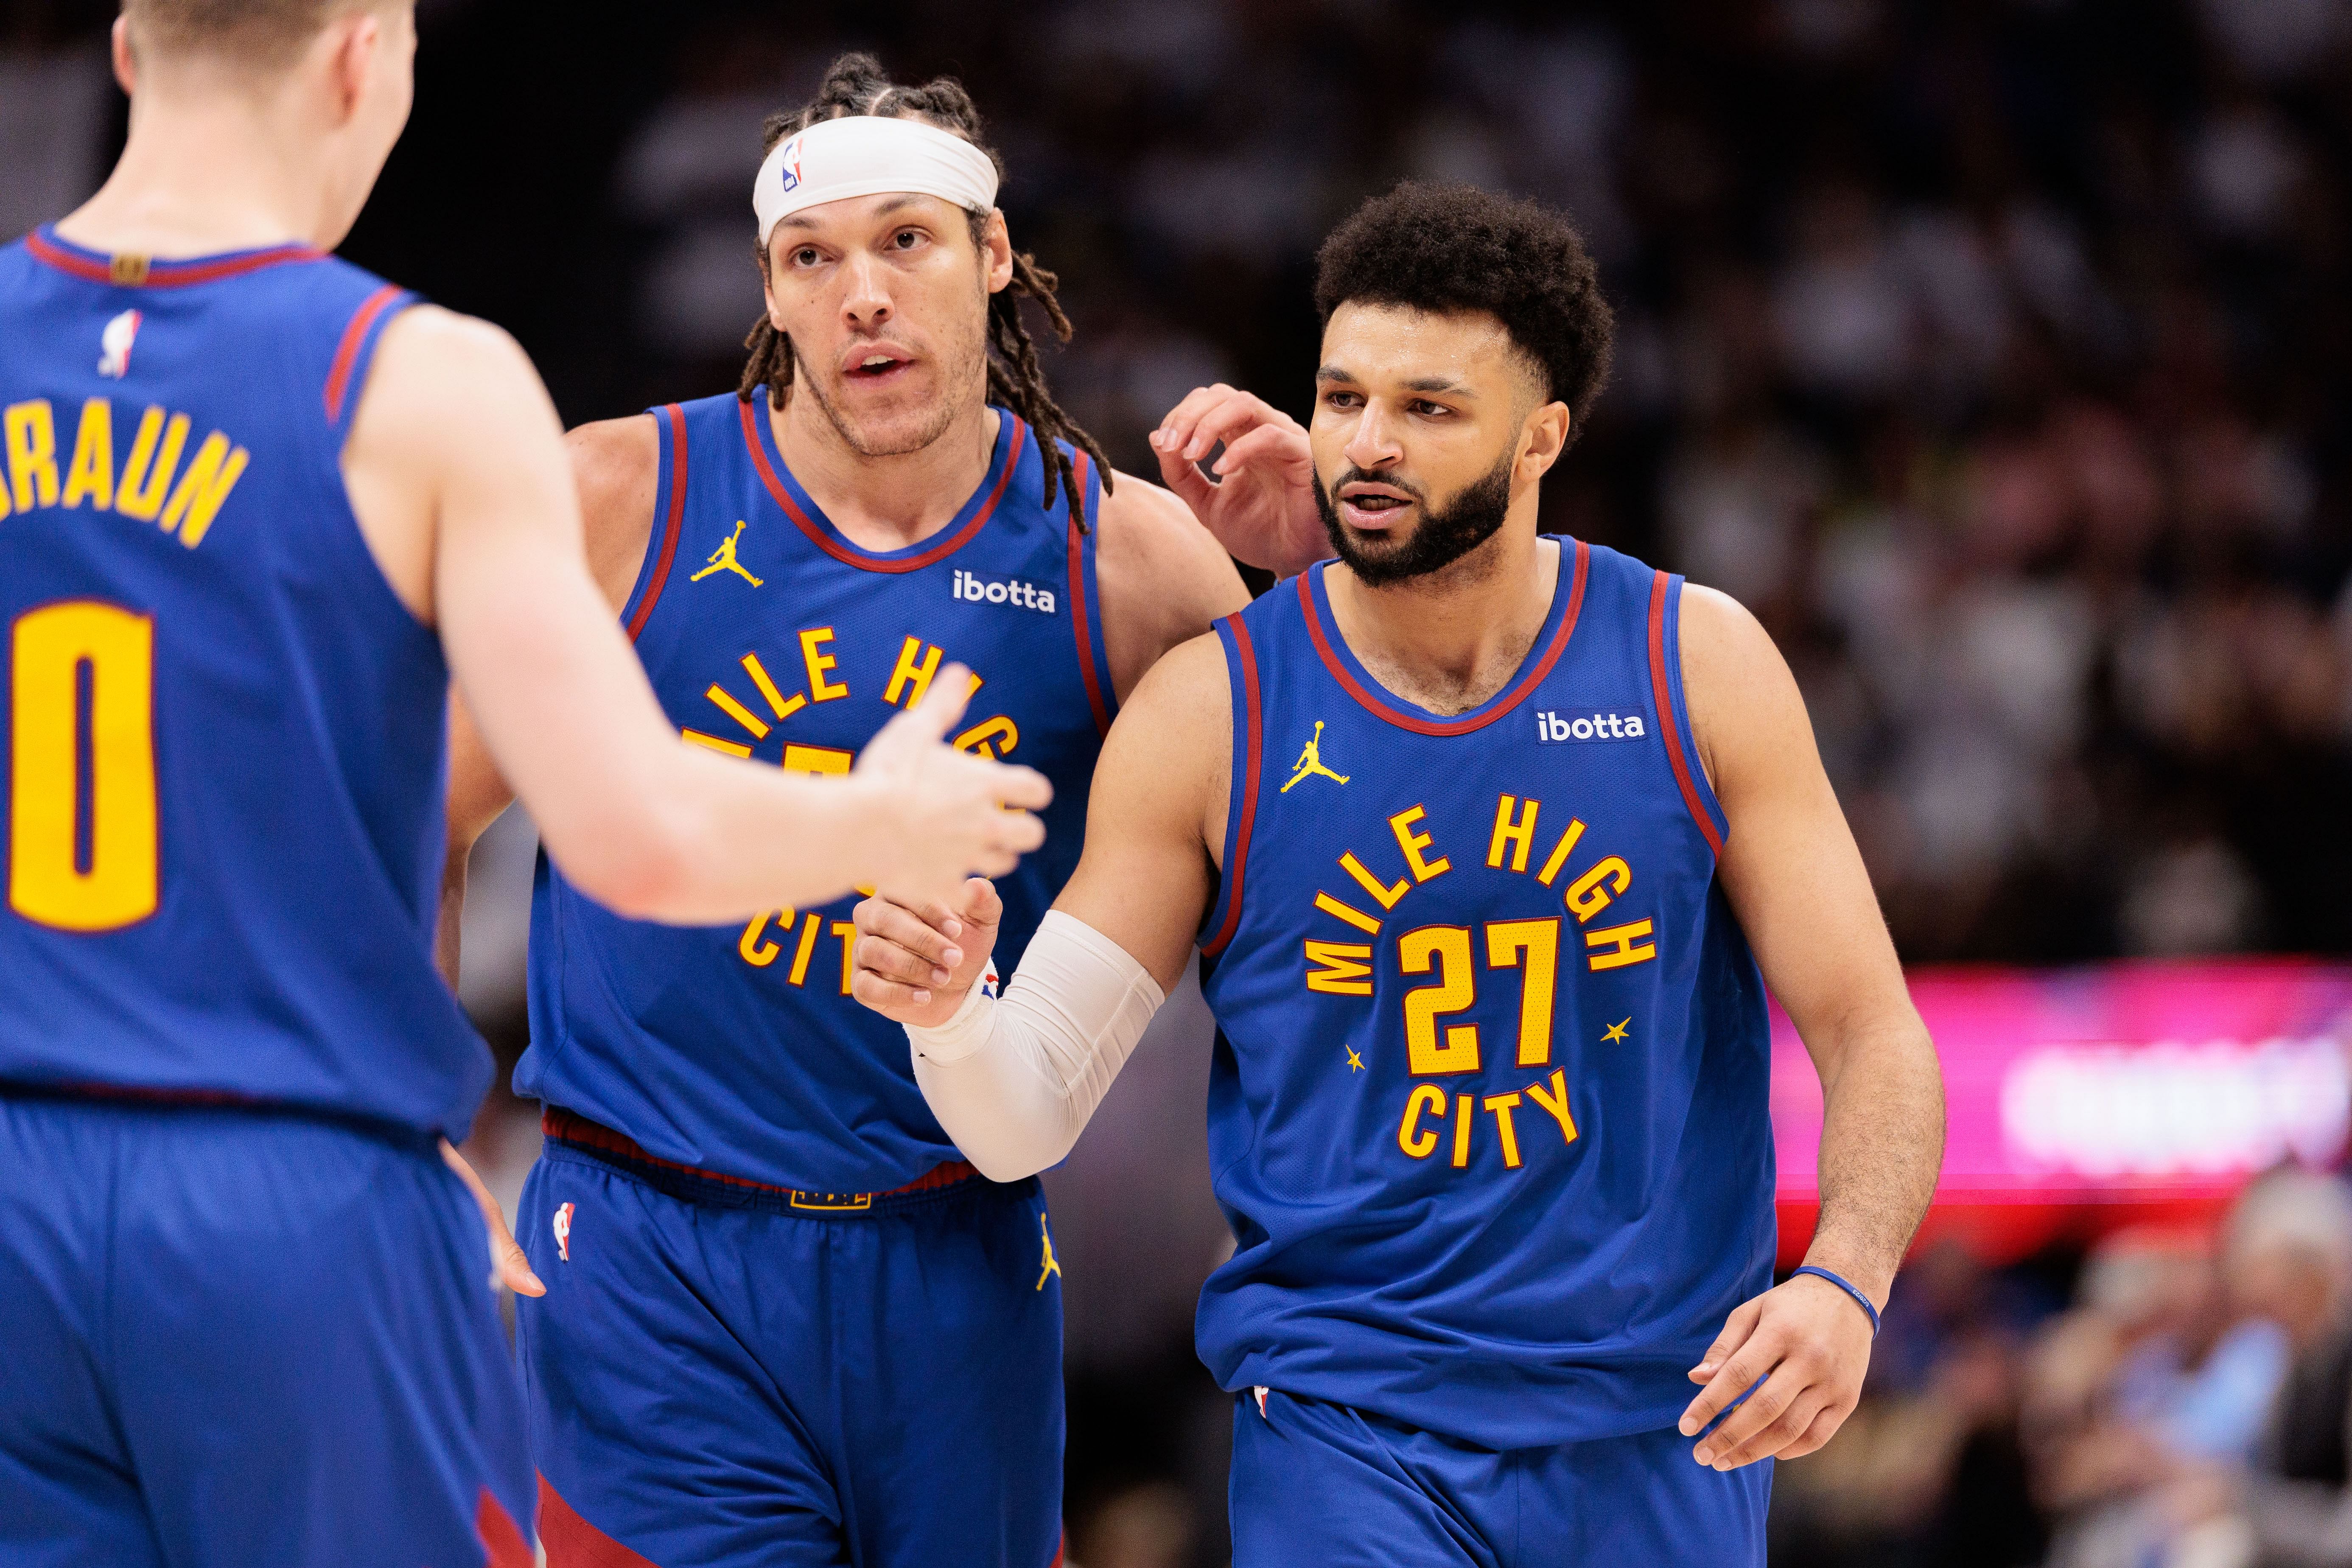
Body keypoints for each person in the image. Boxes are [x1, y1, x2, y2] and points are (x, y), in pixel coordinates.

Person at [0, 8, 1045, 1567]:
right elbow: (635, 836)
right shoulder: (421, 379)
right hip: (294, 1183)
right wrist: (877, 818)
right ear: (368, 58)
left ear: (133, 53)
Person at [853, 181, 1949, 1565]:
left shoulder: (1696, 662)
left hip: (1660, 1426)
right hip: (1345, 1427)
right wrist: (952, 1010)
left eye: (1429, 409)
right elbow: (1021, 1121)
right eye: (1343, 396)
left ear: (1542, 436)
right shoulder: (1212, 713)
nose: (1369, 445)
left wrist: (1847, 1284)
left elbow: (1877, 1038)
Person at [436, 53, 1250, 1568]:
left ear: (995, 258)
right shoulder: (620, 496)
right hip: (648, 1249)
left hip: (959, 1252)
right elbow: (418, 816)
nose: (861, 292)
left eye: (906, 241)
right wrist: (413, 1121)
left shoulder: (1131, 563)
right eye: (815, 257)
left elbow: (1313, 874)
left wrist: (1325, 562)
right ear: (770, 286)